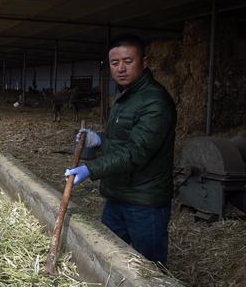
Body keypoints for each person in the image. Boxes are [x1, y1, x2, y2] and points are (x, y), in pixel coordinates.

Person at [64, 34, 176, 265]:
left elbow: (136, 152)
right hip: (117, 194)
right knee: (110, 257)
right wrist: (101, 139)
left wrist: (91, 169)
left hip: (144, 201)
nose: (121, 69)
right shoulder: (126, 97)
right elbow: (123, 140)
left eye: (128, 61)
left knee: (149, 268)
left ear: (144, 62)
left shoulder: (155, 101)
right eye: (115, 63)